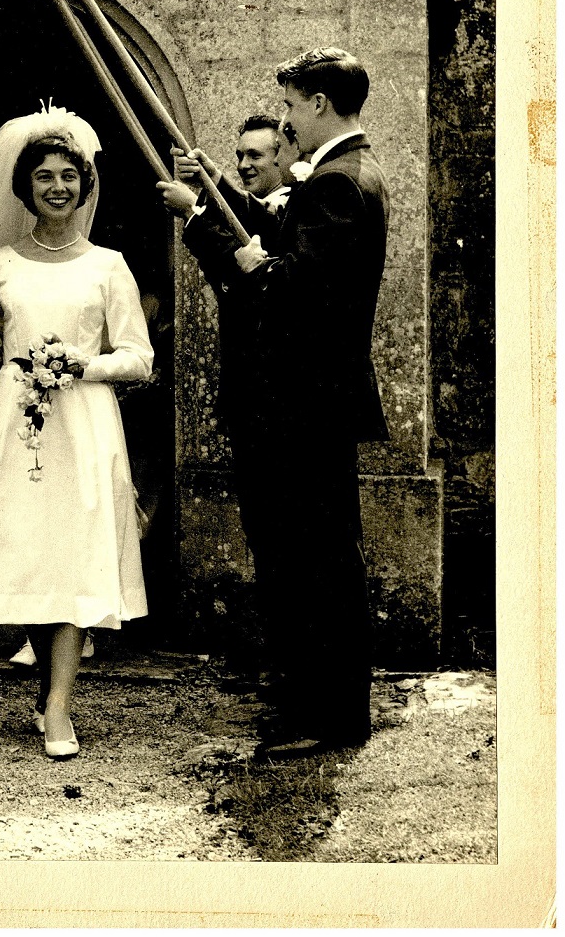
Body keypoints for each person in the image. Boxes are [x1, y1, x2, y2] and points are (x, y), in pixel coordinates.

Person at [162, 48, 390, 758]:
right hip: (304, 406)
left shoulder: (337, 184)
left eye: (291, 105)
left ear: (319, 102)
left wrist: (246, 260)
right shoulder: (337, 177)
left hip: (302, 408)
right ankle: (312, 703)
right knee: (306, 559)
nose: (287, 119)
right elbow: (270, 229)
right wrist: (210, 197)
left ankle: (326, 716)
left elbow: (291, 287)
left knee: (310, 563)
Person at [0, 108, 153, 760]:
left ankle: (59, 705)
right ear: (26, 187)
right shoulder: (0, 264)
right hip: (15, 420)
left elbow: (138, 357)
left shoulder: (107, 265)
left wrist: (82, 363)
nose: (57, 187)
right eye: (44, 176)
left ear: (85, 184)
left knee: (72, 559)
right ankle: (45, 686)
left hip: (84, 420)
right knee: (32, 556)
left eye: (68, 176)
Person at [158, 112, 295, 682]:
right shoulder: (274, 205)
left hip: (282, 405)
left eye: (254, 158)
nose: (244, 166)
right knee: (270, 544)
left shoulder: (303, 206)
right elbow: (249, 217)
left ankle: (295, 677)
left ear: (284, 156)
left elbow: (250, 271)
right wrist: (214, 183)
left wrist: (193, 212)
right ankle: (284, 670)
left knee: (288, 547)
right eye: (237, 157)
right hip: (256, 402)